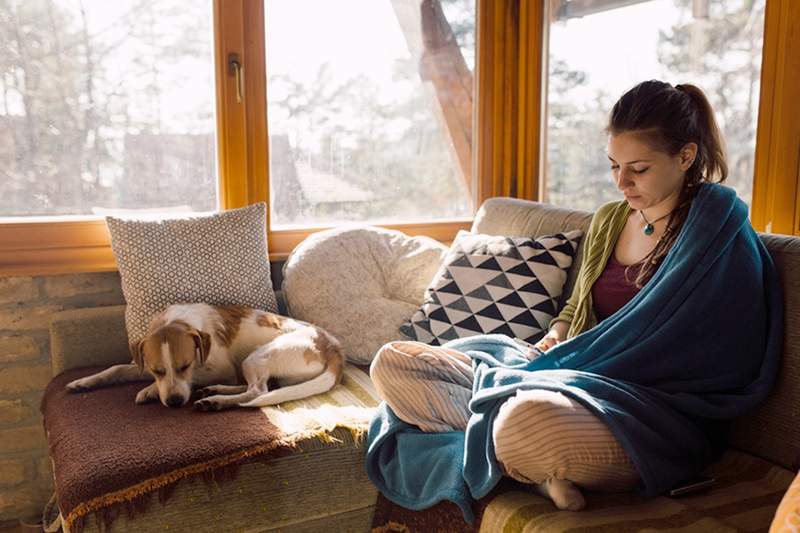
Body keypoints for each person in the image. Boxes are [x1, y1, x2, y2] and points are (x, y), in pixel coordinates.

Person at [366, 80, 782, 515]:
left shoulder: (717, 234)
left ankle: (513, 448)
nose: (622, 182)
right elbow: (577, 305)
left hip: (650, 413)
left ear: (685, 156)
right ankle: (536, 475)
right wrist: (557, 334)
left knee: (523, 425)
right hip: (567, 369)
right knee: (394, 364)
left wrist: (597, 366)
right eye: (613, 166)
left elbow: (729, 356)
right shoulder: (609, 220)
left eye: (638, 169)